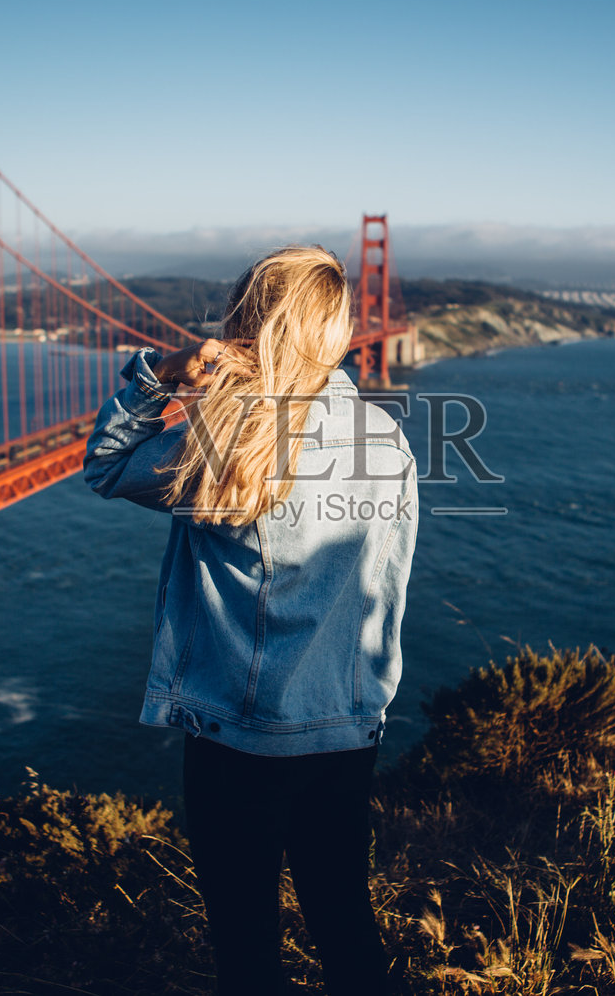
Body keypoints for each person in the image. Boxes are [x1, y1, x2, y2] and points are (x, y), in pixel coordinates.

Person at [83, 245, 418, 995]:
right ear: (336, 332)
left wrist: (159, 371)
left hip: (238, 738)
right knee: (346, 921)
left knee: (246, 947)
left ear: (247, 324)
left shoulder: (227, 440)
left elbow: (106, 463)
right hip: (346, 731)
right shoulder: (388, 438)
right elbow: (388, 578)